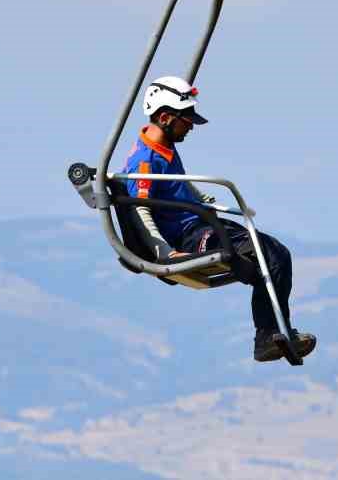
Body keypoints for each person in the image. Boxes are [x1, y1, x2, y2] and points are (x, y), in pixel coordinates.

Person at [121, 76, 317, 362]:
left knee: (276, 253)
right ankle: (267, 335)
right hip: (191, 237)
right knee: (267, 255)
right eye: (186, 119)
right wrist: (165, 252)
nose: (190, 126)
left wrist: (206, 201)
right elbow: (140, 210)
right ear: (164, 116)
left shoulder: (164, 148)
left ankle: (275, 331)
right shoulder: (144, 162)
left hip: (205, 224)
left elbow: (179, 184)